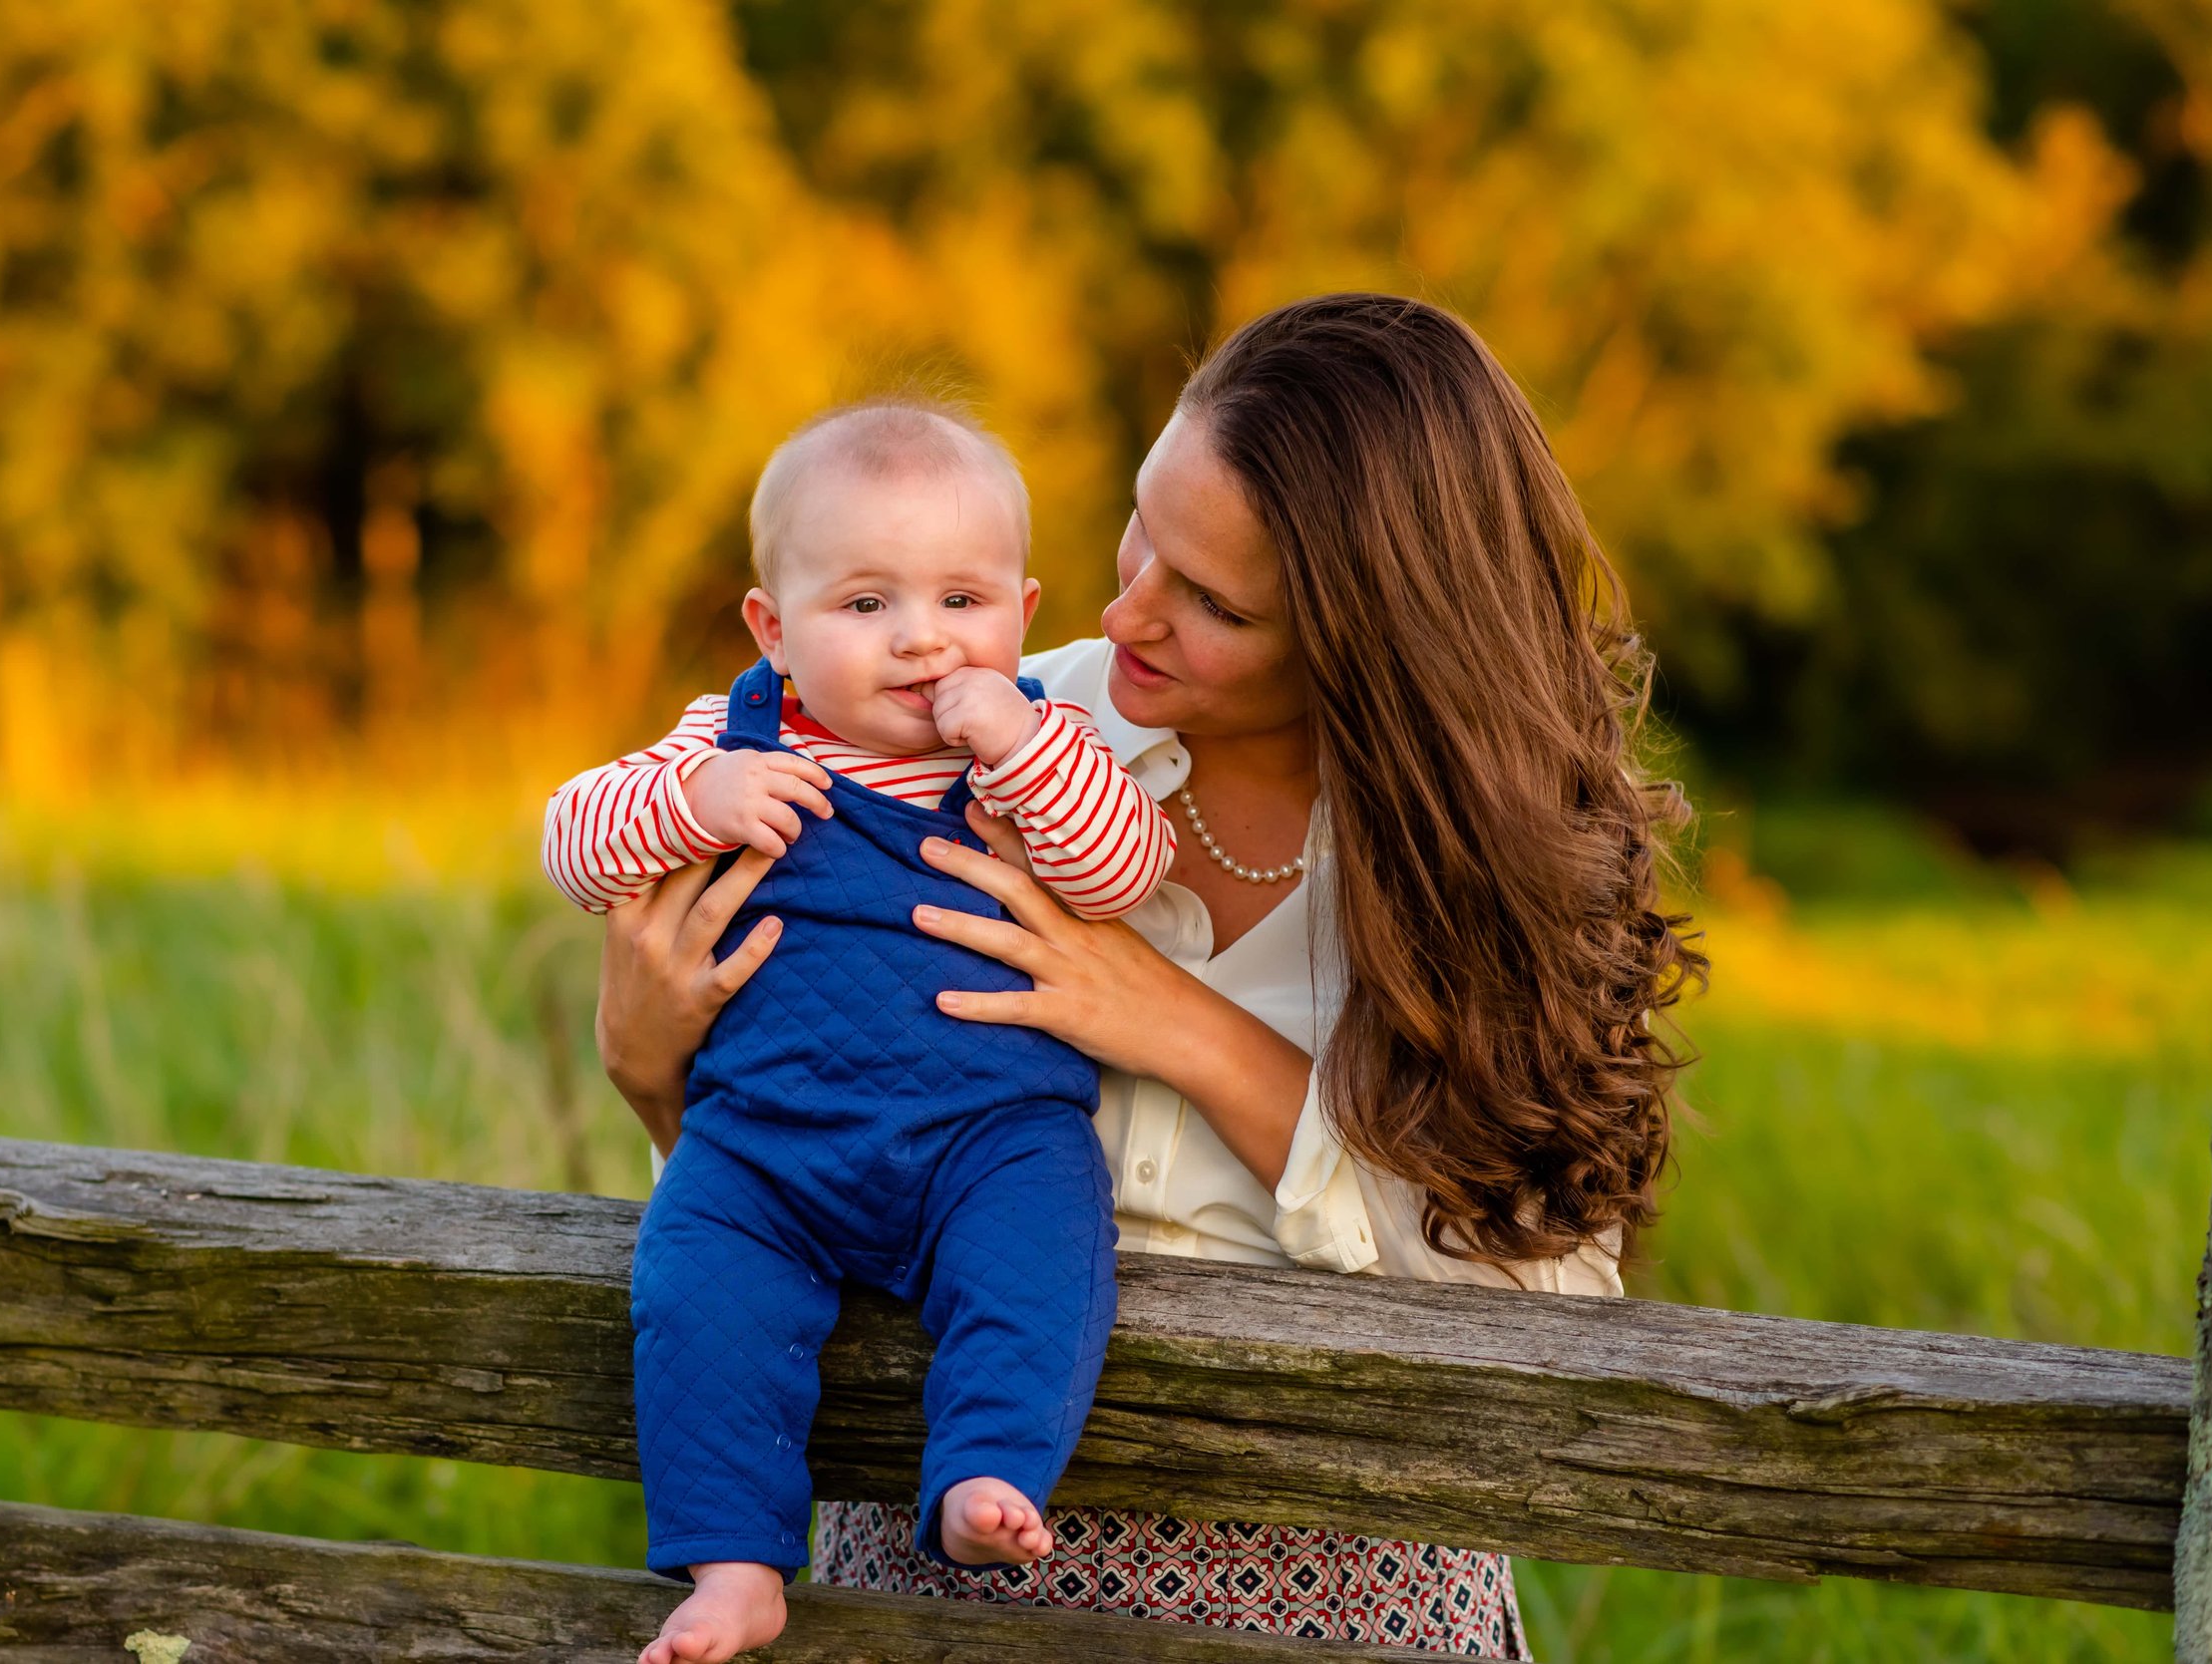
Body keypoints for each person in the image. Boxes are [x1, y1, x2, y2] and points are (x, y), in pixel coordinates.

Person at [591, 294, 1703, 1656]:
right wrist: (654, 1077)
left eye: (1214, 602)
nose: (1126, 610)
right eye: (1141, 530)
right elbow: (796, 1139)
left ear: (1365, 642)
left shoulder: (1483, 864)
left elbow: (1548, 1313)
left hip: (1331, 1600)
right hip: (933, 1565)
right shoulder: (960, 726)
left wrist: (1185, 1029)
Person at [542, 399, 1180, 1664]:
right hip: (765, 1143)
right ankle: (733, 1567)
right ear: (772, 628)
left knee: (1045, 1257)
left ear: (1022, 608)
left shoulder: (1041, 745)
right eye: (866, 605)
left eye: (962, 602)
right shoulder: (731, 739)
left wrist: (1018, 744)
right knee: (694, 1290)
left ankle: (985, 1475)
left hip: (984, 1134)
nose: (921, 643)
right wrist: (690, 800)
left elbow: (1124, 872)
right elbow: (572, 836)